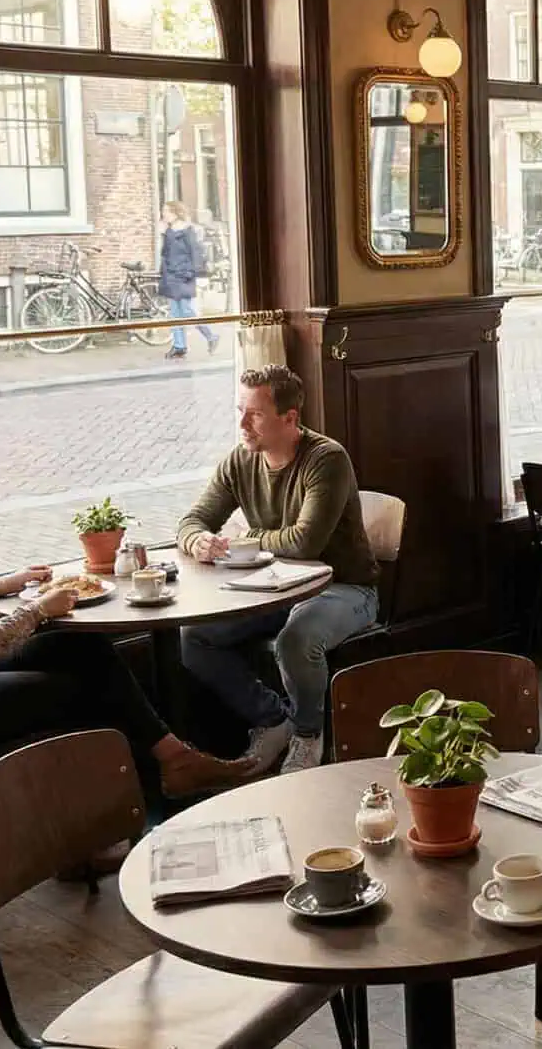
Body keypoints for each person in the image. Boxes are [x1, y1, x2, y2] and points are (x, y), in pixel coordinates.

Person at [0, 410, 248, 802]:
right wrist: (37, 611)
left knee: (77, 647)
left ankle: (176, 761)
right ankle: (81, 832)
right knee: (82, 692)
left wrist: (1, 586)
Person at [176, 365, 380, 776]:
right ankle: (274, 719)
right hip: (275, 589)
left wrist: (245, 536)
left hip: (345, 588)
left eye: (254, 414)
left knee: (296, 638)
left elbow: (305, 544)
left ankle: (308, 736)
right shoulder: (240, 461)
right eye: (240, 410)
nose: (241, 424)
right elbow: (193, 518)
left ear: (289, 418)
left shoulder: (326, 459)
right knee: (194, 637)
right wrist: (196, 540)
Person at [159, 200, 217, 361]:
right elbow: (165, 254)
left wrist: (192, 272)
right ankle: (179, 346)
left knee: (186, 311)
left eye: (167, 212)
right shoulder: (169, 231)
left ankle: (211, 336)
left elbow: (195, 253)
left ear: (176, 213)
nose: (164, 215)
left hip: (183, 275)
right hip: (171, 276)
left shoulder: (188, 231)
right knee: (174, 313)